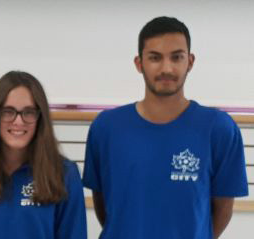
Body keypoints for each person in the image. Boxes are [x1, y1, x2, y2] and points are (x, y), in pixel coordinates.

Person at [83, 16, 249, 239]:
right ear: (139, 63)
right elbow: (105, 208)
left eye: (176, 57)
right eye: (155, 58)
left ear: (189, 62)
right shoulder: (105, 128)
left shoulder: (219, 129)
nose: (167, 68)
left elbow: (223, 208)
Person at [0, 71, 86, 239]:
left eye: (28, 112)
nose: (18, 121)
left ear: (39, 118)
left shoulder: (65, 174)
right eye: (8, 111)